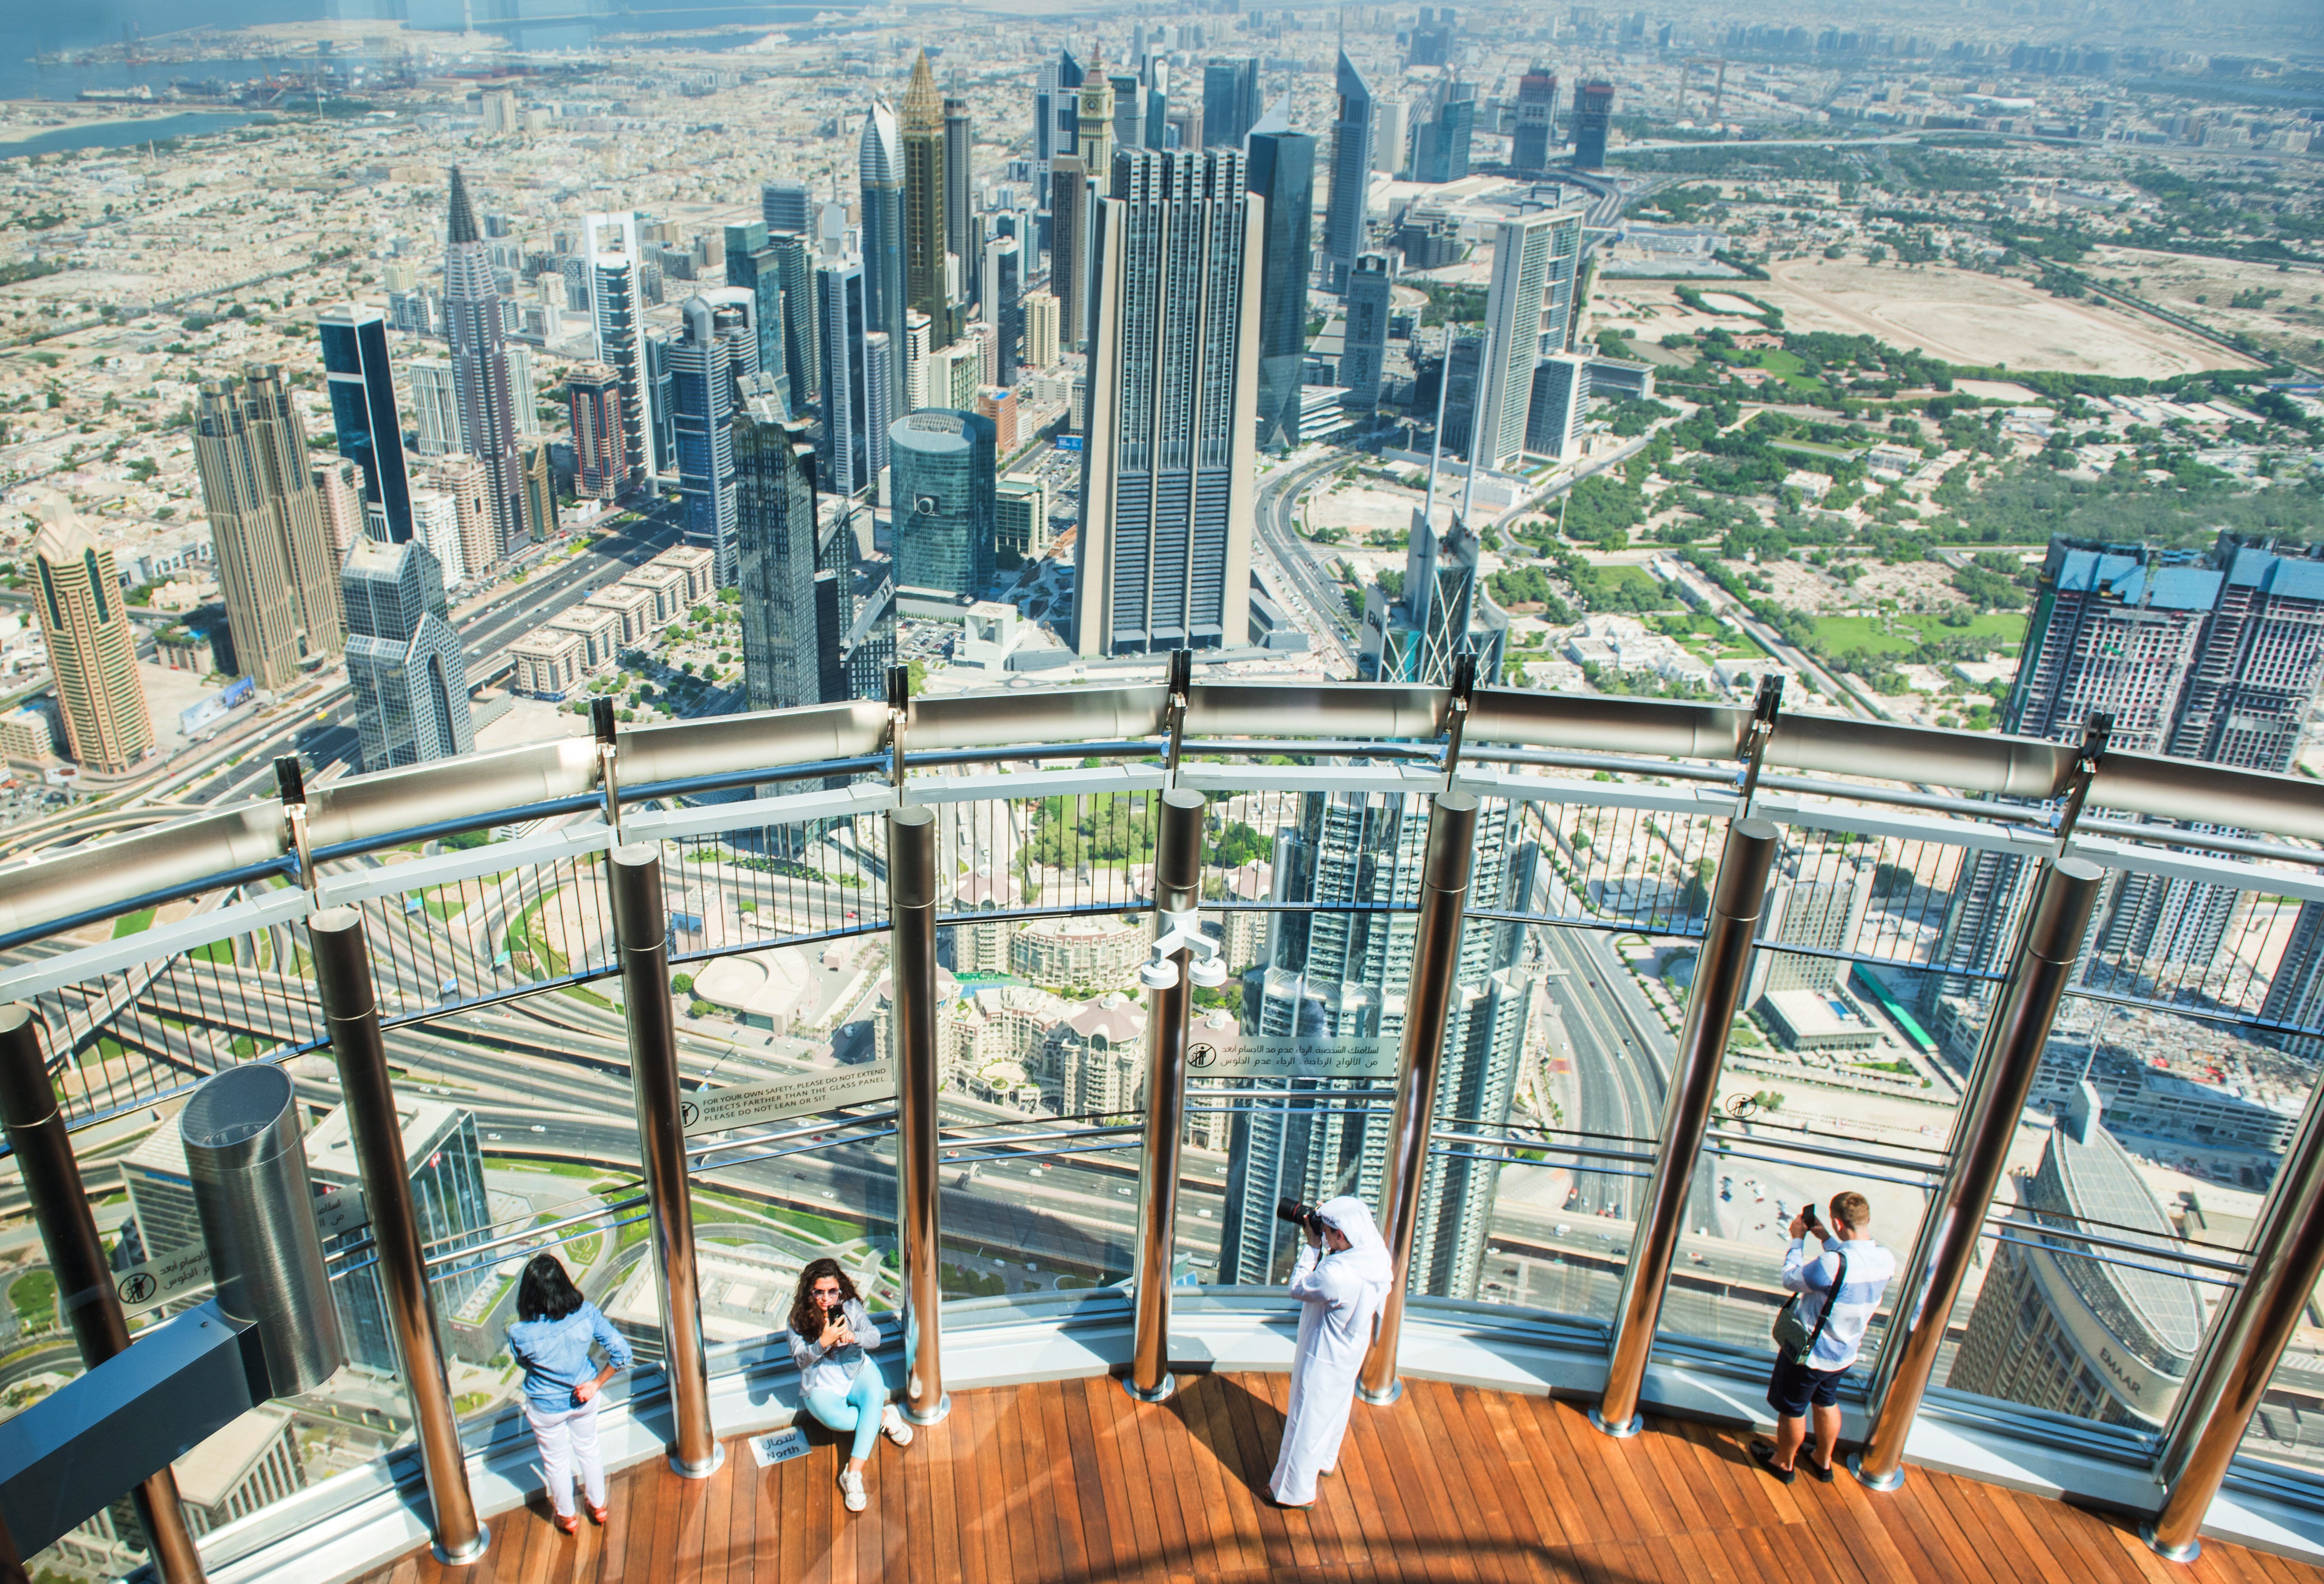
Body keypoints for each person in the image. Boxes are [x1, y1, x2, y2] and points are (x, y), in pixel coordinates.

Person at [1752, 1190, 1895, 1485]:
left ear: (1838, 1223)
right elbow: (1849, 1267)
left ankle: (1783, 1463)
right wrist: (1826, 1239)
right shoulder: (1886, 1260)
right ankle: (1823, 1460)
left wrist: (1797, 1239)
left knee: (1792, 1409)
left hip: (1811, 1353)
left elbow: (1792, 1278)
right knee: (1826, 1401)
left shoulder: (1831, 1264)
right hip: (1844, 1353)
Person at [1268, 1196, 1393, 1509]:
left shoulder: (1335, 1275)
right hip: (1351, 1347)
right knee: (1333, 1408)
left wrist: (1311, 1247)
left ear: (1340, 1235)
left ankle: (1291, 1492)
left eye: (1325, 1230)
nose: (1320, 1232)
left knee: (1304, 1418)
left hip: (1321, 1353)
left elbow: (1298, 1288)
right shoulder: (1373, 1253)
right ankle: (1324, 1460)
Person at [505, 1253, 630, 1534]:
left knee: (556, 1461)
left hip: (546, 1405)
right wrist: (596, 1383)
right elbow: (622, 1353)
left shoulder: (519, 1333)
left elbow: (524, 1363)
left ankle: (567, 1516)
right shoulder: (586, 1313)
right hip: (585, 1396)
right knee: (589, 1450)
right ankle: (598, 1506)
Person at [787, 1258, 914, 1513]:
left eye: (832, 1291)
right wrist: (821, 1343)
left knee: (871, 1394)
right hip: (822, 1384)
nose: (827, 1299)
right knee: (842, 1422)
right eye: (819, 1292)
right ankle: (882, 1415)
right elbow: (801, 1360)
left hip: (857, 1371)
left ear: (840, 1289)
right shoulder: (798, 1320)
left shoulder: (850, 1307)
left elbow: (875, 1337)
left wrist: (853, 1336)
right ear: (809, 1292)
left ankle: (852, 1475)